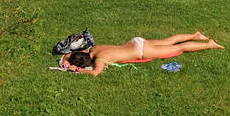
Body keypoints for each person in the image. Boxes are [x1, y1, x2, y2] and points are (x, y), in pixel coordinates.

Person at [59, 31, 220, 75]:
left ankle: (209, 45)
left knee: (180, 48)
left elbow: (95, 73)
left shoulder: (100, 59)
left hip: (142, 50)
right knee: (168, 41)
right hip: (135, 42)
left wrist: (77, 70)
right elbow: (77, 53)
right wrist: (68, 59)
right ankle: (196, 35)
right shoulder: (94, 49)